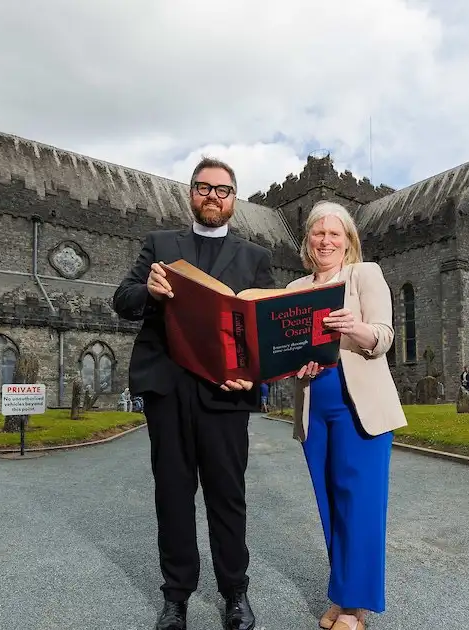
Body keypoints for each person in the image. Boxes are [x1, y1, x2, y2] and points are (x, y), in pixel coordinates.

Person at [113, 157, 275, 630]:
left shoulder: (254, 258)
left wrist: (254, 375)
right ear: (191, 194)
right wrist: (149, 289)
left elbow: (262, 331)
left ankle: (235, 595)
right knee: (173, 495)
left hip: (225, 394)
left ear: (233, 200)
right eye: (204, 188)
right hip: (168, 388)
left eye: (223, 191)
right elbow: (121, 302)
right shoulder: (161, 245)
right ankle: (176, 597)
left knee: (228, 496)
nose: (213, 197)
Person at [289, 201, 407, 630]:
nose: (325, 240)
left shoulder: (364, 275)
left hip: (360, 405)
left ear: (348, 241)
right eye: (318, 232)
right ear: (308, 241)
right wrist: (294, 362)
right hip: (313, 409)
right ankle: (341, 596)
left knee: (360, 502)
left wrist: (351, 327)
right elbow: (284, 350)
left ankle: (356, 608)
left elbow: (383, 336)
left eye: (334, 233)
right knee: (330, 505)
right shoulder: (295, 288)